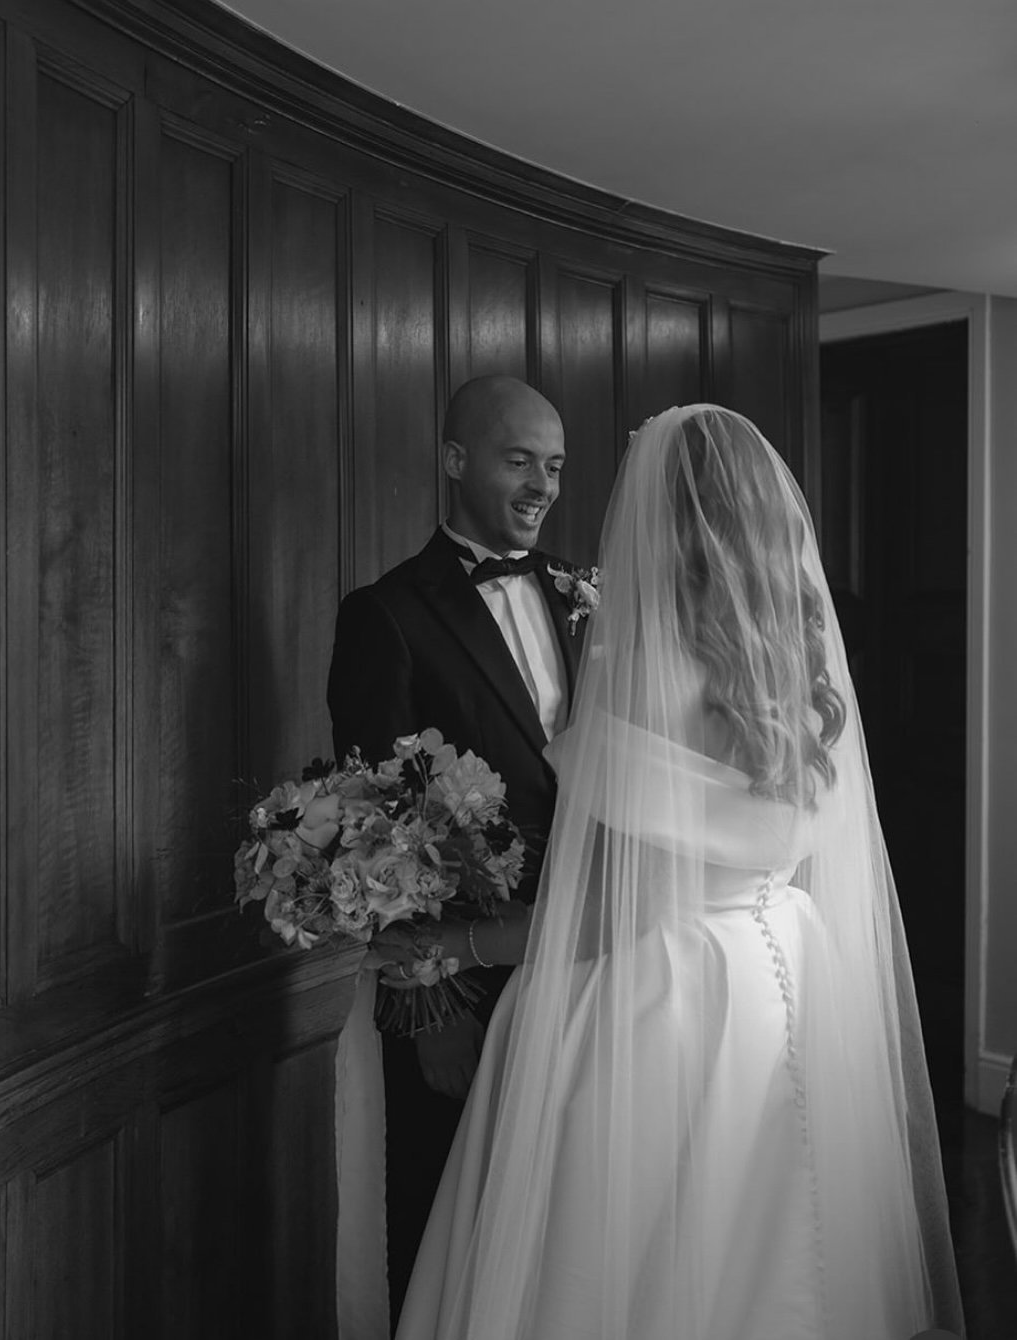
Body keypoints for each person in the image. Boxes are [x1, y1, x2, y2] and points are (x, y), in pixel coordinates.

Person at [372, 405, 964, 1339]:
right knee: (784, 1238)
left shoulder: (647, 677)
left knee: (637, 1261)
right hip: (788, 975)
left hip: (664, 1000)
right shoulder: (800, 668)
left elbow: (608, 912)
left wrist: (448, 943)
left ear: (666, 521)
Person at [327, 375, 585, 1325]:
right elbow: (371, 823)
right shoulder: (385, 613)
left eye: (554, 465)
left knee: (560, 1211)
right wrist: (424, 1002)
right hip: (459, 977)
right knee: (442, 1207)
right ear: (455, 461)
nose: (541, 484)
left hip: (587, 957)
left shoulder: (585, 593)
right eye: (519, 460)